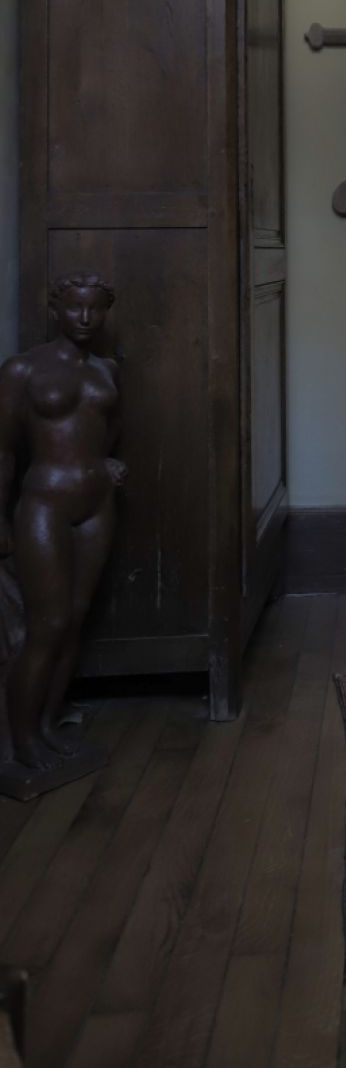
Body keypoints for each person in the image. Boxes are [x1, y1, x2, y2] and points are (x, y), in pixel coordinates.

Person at [0, 273, 125, 771]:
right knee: (47, 624)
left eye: (95, 308)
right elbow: (3, 451)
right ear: (57, 308)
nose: (85, 318)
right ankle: (23, 738)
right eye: (75, 307)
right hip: (45, 502)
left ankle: (48, 725)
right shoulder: (22, 369)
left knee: (74, 620)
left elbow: (110, 428)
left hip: (96, 503)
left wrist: (107, 463)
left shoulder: (108, 370)